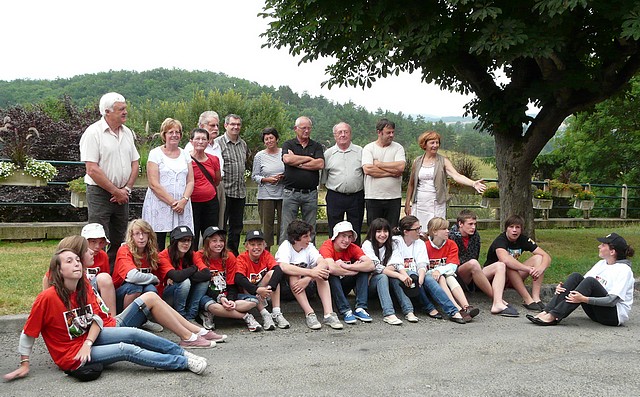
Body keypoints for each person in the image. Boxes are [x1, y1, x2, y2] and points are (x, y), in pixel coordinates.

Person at [3, 248, 209, 382]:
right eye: (69, 261)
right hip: (71, 356)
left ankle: (181, 352)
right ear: (58, 269)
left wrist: (88, 343)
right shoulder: (47, 298)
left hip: (87, 340)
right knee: (126, 349)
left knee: (132, 333)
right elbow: (28, 334)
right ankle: (181, 363)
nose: (76, 263)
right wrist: (24, 364)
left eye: (77, 259)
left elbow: (98, 319)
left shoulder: (83, 286)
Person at [62, 234, 224, 348]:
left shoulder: (82, 278)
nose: (94, 250)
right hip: (105, 328)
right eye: (89, 247)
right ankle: (188, 339)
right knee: (140, 345)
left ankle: (195, 332)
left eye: (144, 234)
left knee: (151, 294)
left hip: (109, 323)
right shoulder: (68, 282)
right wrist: (88, 343)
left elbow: (203, 274)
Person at [79, 92, 139, 267]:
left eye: (125, 108)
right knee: (97, 238)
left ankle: (114, 277)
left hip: (122, 193)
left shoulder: (127, 133)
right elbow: (91, 169)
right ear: (107, 111)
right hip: (100, 193)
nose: (125, 112)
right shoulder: (93, 133)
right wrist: (116, 191)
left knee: (119, 238)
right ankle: (94, 276)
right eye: (121, 109)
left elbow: (135, 162)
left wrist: (126, 190)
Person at [529, 233, 635, 326]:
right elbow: (582, 284)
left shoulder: (624, 270)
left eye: (603, 245)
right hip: (595, 313)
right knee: (576, 277)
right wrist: (563, 289)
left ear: (612, 252)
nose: (599, 246)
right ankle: (547, 311)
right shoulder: (602, 263)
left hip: (612, 316)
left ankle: (553, 316)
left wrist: (584, 299)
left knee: (590, 281)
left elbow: (612, 301)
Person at [393, 216, 466, 324]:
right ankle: (429, 307)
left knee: (428, 278)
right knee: (414, 275)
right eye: (416, 229)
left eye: (420, 228)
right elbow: (397, 264)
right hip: (401, 274)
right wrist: (412, 276)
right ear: (406, 232)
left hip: (417, 274)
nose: (420, 231)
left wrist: (421, 277)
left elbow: (422, 264)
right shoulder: (396, 242)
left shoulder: (420, 243)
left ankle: (453, 311)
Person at [404, 131, 486, 227]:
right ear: (424, 145)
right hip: (420, 203)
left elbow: (456, 176)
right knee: (419, 231)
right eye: (432, 143)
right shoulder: (417, 161)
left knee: (436, 230)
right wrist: (407, 203)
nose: (435, 145)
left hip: (436, 203)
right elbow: (411, 184)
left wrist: (473, 183)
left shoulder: (443, 161)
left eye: (437, 142)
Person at [275, 219, 344, 330]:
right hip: (287, 289)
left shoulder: (309, 247)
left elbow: (323, 263)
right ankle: (310, 314)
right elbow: (284, 266)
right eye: (305, 237)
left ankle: (329, 314)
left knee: (322, 273)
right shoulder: (285, 246)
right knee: (294, 274)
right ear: (295, 239)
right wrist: (311, 272)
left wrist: (308, 278)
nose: (309, 239)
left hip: (307, 286)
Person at [449, 210, 518, 317]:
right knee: (473, 263)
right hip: (456, 273)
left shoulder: (475, 236)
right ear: (460, 224)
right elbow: (454, 261)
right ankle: (498, 301)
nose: (473, 227)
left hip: (474, 270)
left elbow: (475, 255)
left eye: (475, 224)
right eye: (470, 224)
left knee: (500, 265)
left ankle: (497, 302)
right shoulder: (451, 236)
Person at [194, 226, 262, 332]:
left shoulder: (229, 256)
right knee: (212, 306)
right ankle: (245, 317)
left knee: (253, 301)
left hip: (227, 294)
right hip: (208, 295)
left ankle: (211, 313)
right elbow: (202, 284)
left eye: (221, 240)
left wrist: (230, 300)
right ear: (207, 242)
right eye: (214, 241)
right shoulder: (199, 256)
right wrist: (220, 298)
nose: (218, 244)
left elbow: (232, 283)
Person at [142, 118, 194, 251]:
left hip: (182, 205)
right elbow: (153, 183)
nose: (175, 135)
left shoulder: (185, 155)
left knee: (180, 240)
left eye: (178, 132)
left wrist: (183, 200)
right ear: (164, 135)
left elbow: (190, 181)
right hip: (160, 205)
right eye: (170, 132)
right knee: (157, 242)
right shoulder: (155, 154)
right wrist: (173, 203)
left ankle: (178, 269)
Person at [43, 223, 115, 314]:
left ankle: (113, 319)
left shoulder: (102, 257)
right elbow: (48, 278)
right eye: (93, 242)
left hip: (96, 310)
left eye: (101, 243)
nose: (97, 247)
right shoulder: (68, 266)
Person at [485, 214, 552, 311]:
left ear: (521, 229)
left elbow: (546, 256)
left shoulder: (524, 239)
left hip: (512, 277)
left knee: (538, 258)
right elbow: (505, 259)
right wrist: (528, 269)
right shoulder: (500, 240)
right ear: (506, 229)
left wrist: (540, 268)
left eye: (517, 227)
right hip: (495, 278)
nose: (514, 230)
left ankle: (536, 298)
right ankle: (527, 299)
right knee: (508, 263)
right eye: (511, 227)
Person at [361, 218, 418, 325]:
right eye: (378, 231)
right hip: (368, 284)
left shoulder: (392, 244)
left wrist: (404, 275)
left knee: (395, 276)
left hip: (386, 281)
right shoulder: (367, 245)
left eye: (385, 231)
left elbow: (397, 263)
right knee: (384, 277)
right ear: (373, 232)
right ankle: (389, 314)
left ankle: (409, 310)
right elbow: (375, 267)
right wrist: (397, 274)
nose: (382, 234)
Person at [424, 217, 480, 322]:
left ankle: (466, 306)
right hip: (430, 280)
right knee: (441, 278)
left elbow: (453, 265)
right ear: (435, 231)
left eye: (447, 228)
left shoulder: (451, 244)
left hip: (447, 275)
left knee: (449, 276)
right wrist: (436, 272)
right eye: (444, 229)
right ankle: (456, 308)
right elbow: (423, 268)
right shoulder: (425, 246)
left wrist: (439, 270)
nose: (448, 231)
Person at [280, 116, 325, 244]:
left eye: (309, 128)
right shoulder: (288, 144)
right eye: (303, 128)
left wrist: (297, 162)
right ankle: (284, 257)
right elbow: (287, 160)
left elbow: (320, 164)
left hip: (310, 194)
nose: (306, 131)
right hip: (291, 193)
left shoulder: (316, 146)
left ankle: (311, 256)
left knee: (311, 228)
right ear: (296, 129)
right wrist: (309, 159)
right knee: (287, 227)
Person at [319, 221, 375, 324]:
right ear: (335, 236)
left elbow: (370, 265)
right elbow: (331, 268)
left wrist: (348, 266)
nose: (347, 240)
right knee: (331, 274)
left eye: (349, 237)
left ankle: (360, 308)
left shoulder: (353, 247)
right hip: (329, 288)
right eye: (343, 236)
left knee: (363, 271)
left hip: (345, 284)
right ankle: (345, 310)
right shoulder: (327, 246)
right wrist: (352, 271)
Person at [234, 230, 288, 331]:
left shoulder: (266, 255)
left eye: (260, 244)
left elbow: (278, 270)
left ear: (264, 245)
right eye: (252, 244)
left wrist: (268, 288)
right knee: (245, 282)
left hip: (263, 288)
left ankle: (276, 312)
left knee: (273, 274)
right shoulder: (242, 258)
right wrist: (258, 290)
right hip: (249, 291)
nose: (256, 247)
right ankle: (265, 314)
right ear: (246, 246)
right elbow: (238, 278)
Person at [322, 122, 365, 245]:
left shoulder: (360, 151)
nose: (343, 135)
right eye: (339, 132)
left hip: (356, 196)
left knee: (355, 229)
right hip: (335, 196)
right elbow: (324, 177)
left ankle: (355, 257)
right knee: (334, 228)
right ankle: (334, 257)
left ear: (350, 134)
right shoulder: (328, 154)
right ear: (334, 135)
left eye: (346, 132)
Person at [157, 226, 210, 322]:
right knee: (184, 282)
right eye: (182, 240)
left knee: (203, 282)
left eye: (189, 241)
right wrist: (194, 268)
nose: (186, 244)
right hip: (165, 298)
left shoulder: (192, 254)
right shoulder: (163, 255)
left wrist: (183, 275)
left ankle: (191, 316)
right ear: (174, 241)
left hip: (185, 293)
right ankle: (180, 317)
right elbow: (177, 276)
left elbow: (207, 274)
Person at [184, 111, 225, 229]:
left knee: (214, 227)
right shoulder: (188, 150)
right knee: (195, 228)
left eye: (217, 125)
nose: (216, 128)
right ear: (202, 126)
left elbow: (217, 176)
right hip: (194, 195)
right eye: (212, 125)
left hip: (214, 190)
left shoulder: (217, 145)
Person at [362, 119, 405, 229]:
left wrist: (379, 164)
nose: (391, 135)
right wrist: (392, 172)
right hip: (373, 197)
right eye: (388, 132)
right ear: (379, 132)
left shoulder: (398, 148)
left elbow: (400, 167)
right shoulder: (369, 148)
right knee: (374, 230)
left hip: (393, 197)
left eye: (393, 132)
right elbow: (368, 170)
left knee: (392, 230)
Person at [214, 114, 248, 256]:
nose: (236, 127)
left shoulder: (243, 144)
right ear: (225, 125)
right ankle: (219, 253)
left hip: (239, 192)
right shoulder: (217, 143)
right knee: (220, 226)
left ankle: (233, 254)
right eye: (233, 124)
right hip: (225, 192)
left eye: (238, 124)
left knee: (237, 227)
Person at [252, 127, 285, 252]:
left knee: (284, 226)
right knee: (267, 227)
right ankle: (266, 254)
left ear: (277, 139)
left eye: (271, 138)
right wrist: (267, 179)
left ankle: (283, 254)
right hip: (265, 195)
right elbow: (254, 176)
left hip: (283, 194)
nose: (269, 141)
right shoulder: (259, 156)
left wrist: (282, 177)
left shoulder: (284, 152)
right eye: (266, 139)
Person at [188, 127, 221, 250]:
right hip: (192, 203)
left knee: (211, 234)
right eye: (197, 139)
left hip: (210, 203)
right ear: (191, 141)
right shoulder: (186, 159)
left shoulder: (214, 159)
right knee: (193, 234)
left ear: (208, 142)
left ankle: (210, 261)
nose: (201, 142)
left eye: (204, 139)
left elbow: (217, 180)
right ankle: (193, 262)